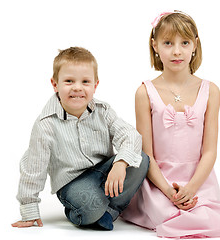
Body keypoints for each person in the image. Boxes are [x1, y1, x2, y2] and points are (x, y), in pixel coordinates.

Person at [121, 11, 220, 238]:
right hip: (159, 181)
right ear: (155, 45)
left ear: (195, 45)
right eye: (168, 43)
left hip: (199, 180)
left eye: (184, 43)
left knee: (205, 215)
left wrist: (191, 188)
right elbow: (146, 154)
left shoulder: (211, 91)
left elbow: (209, 151)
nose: (177, 51)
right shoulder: (144, 92)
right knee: (167, 215)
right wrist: (169, 190)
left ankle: (196, 202)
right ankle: (159, 204)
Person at [11, 47, 149, 230]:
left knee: (141, 159)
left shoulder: (103, 111)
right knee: (90, 204)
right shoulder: (46, 124)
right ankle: (81, 212)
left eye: (85, 82)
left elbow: (130, 135)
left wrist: (120, 163)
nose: (77, 87)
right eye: (69, 81)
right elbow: (33, 168)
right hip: (72, 183)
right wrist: (29, 209)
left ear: (95, 85)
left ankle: (111, 210)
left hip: (104, 172)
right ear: (55, 84)